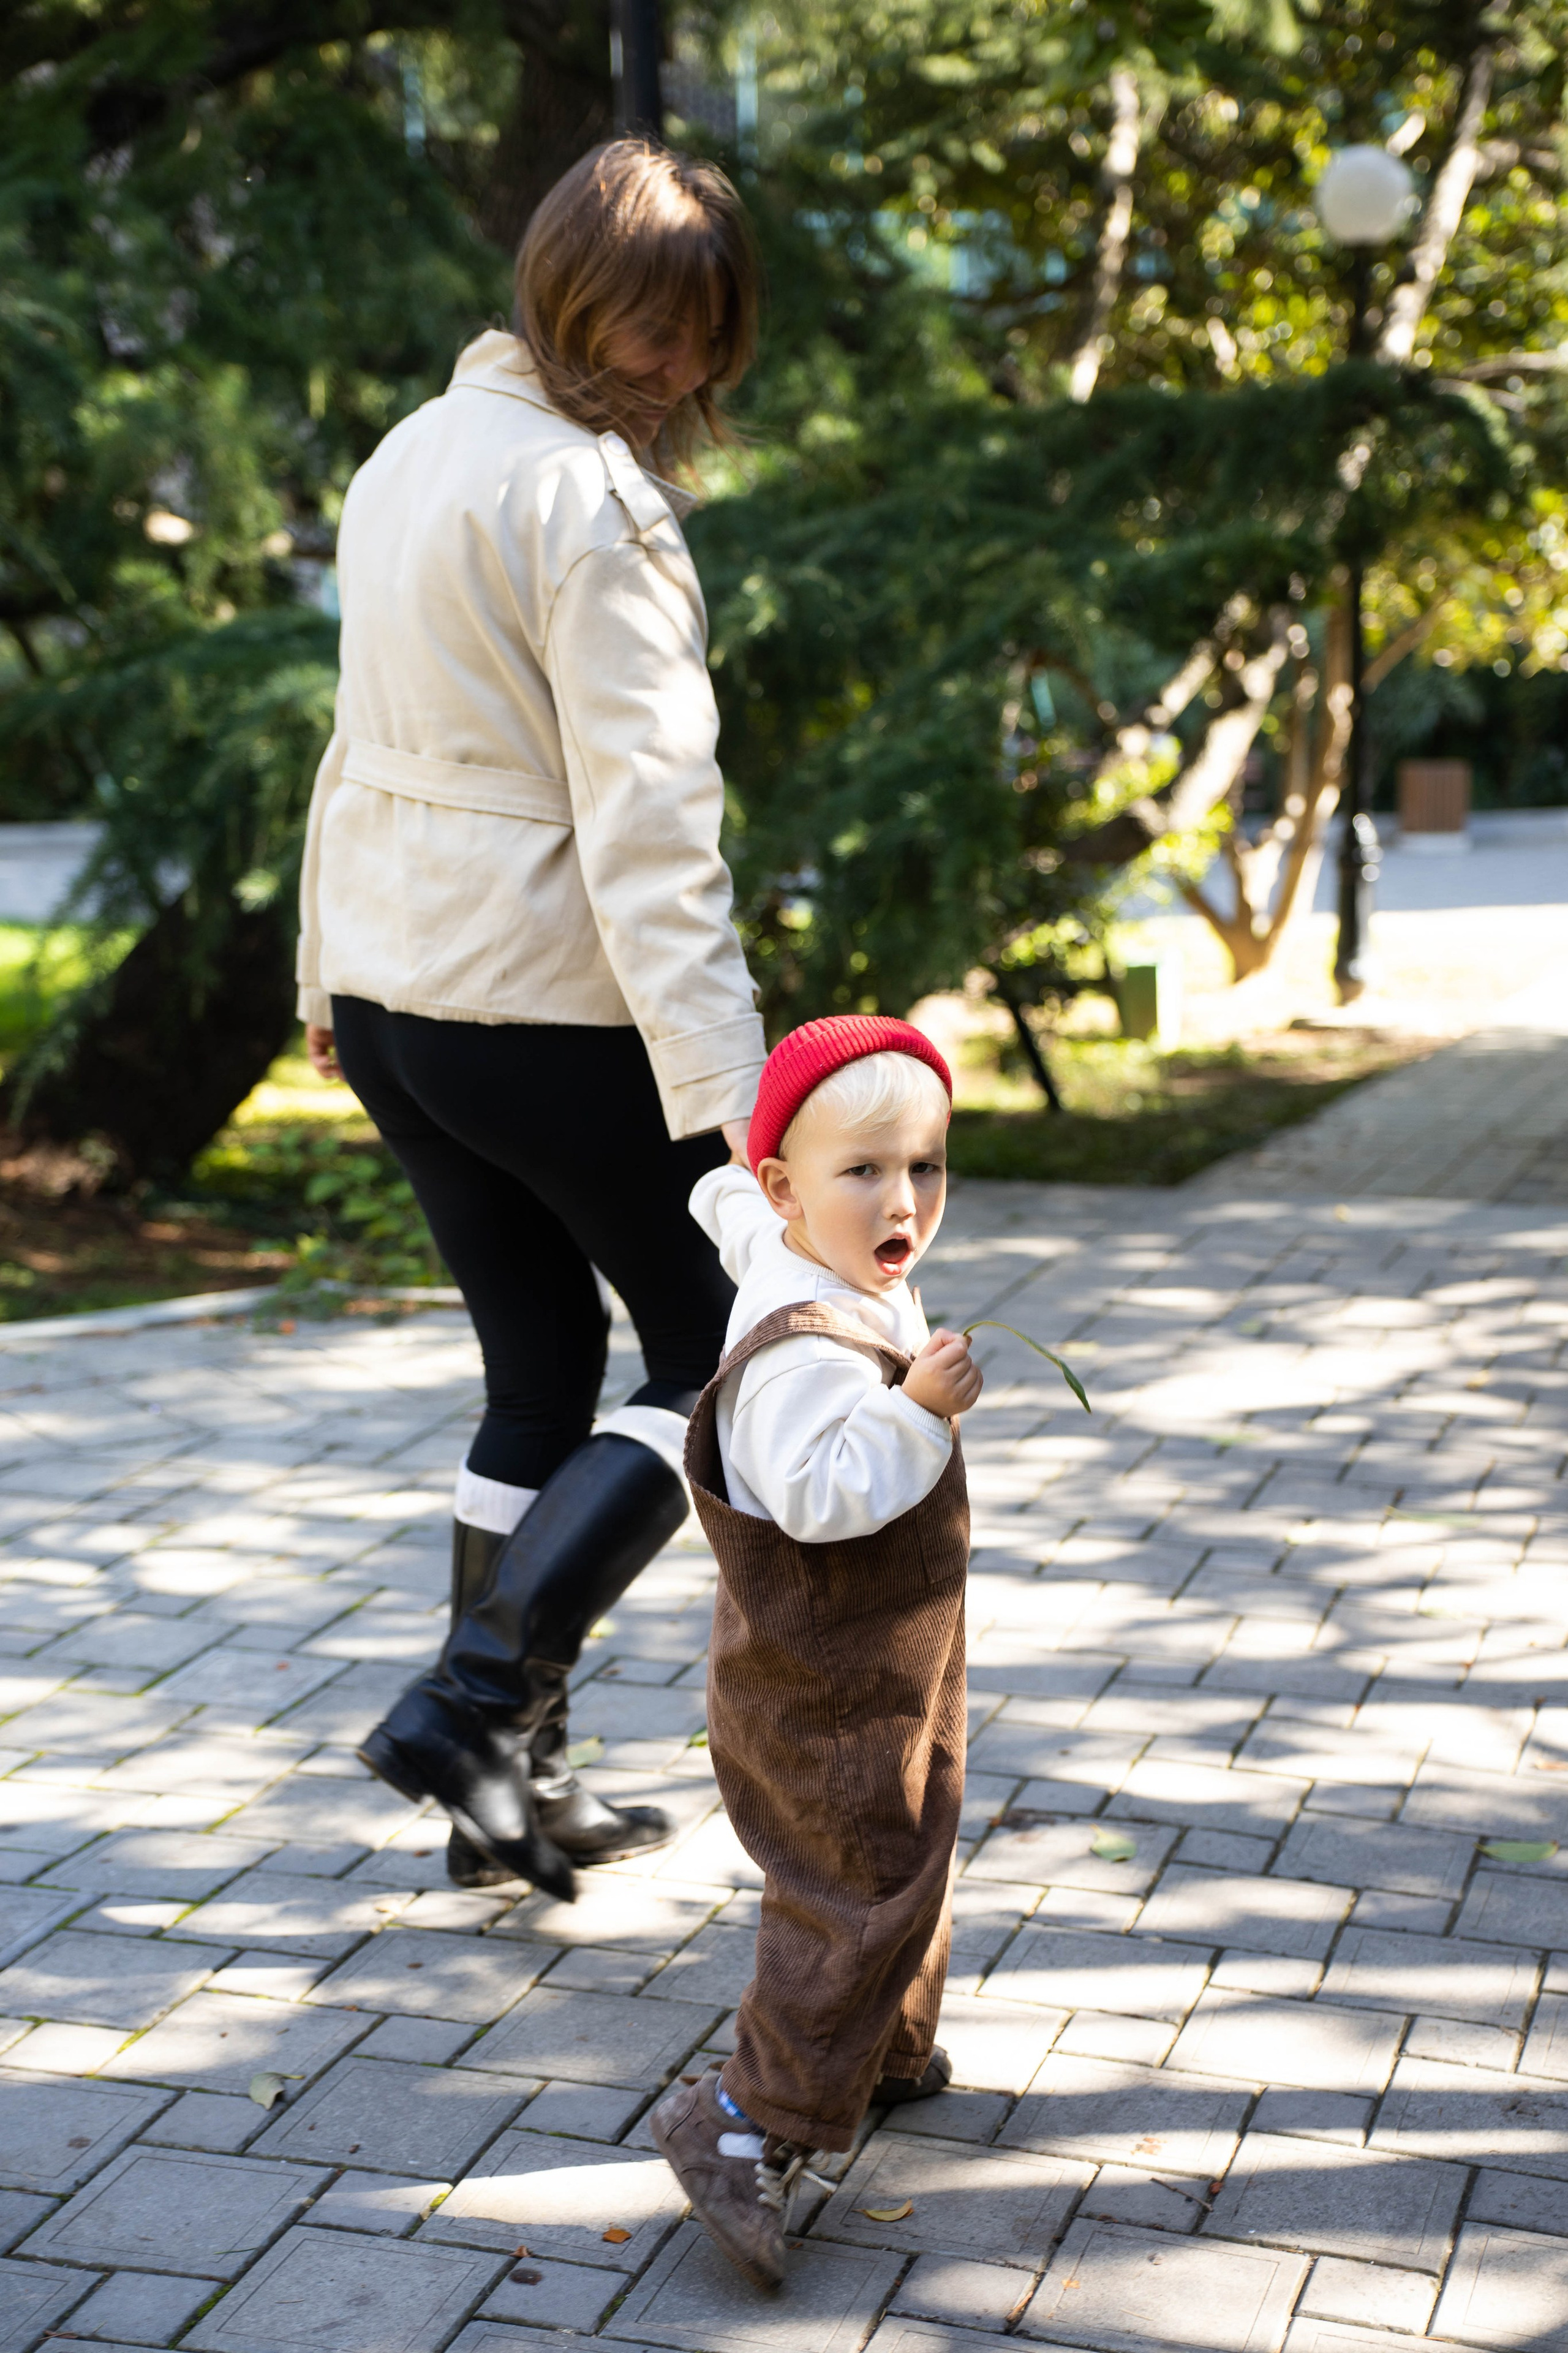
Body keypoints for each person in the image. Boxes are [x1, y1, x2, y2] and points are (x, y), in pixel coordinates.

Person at [295, 141, 767, 1900]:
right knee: (721, 1351)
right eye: (652, 332)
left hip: (402, 999)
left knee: (540, 1374)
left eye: (704, 340)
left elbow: (351, 743)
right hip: (544, 1001)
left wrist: (321, 980)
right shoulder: (595, 502)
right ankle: (478, 1696)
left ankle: (506, 1806)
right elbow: (654, 822)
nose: (679, 373)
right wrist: (740, 1097)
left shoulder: (409, 455)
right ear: (569, 298)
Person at [649, 1014, 982, 2291]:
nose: (902, 1200)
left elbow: (733, 1205)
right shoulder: (796, 1348)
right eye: (864, 1172)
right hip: (824, 1691)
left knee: (913, 1841)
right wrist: (912, 1409)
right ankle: (743, 2120)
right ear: (791, 1189)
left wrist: (749, 1186)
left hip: (889, 1663)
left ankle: (882, 2053)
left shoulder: (797, 1241)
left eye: (925, 1166)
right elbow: (819, 1495)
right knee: (850, 1888)